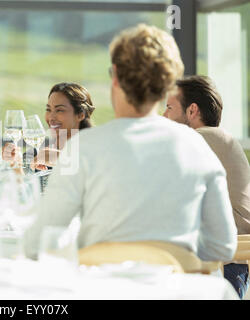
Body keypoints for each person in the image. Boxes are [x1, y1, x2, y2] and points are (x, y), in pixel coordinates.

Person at [23, 24, 237, 264]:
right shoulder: (197, 147)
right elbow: (222, 247)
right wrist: (169, 255)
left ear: (115, 77)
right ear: (168, 85)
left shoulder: (84, 147)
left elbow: (36, 243)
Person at [164, 75, 250, 299]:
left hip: (221, 267)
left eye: (169, 108)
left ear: (192, 111)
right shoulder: (216, 140)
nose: (163, 116)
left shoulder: (203, 138)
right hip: (221, 263)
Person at [3, 82, 95, 172]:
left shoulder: (96, 151)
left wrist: (60, 157)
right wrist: (16, 164)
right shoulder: (40, 154)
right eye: (48, 109)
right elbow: (21, 185)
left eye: (60, 110)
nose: (51, 117)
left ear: (80, 115)